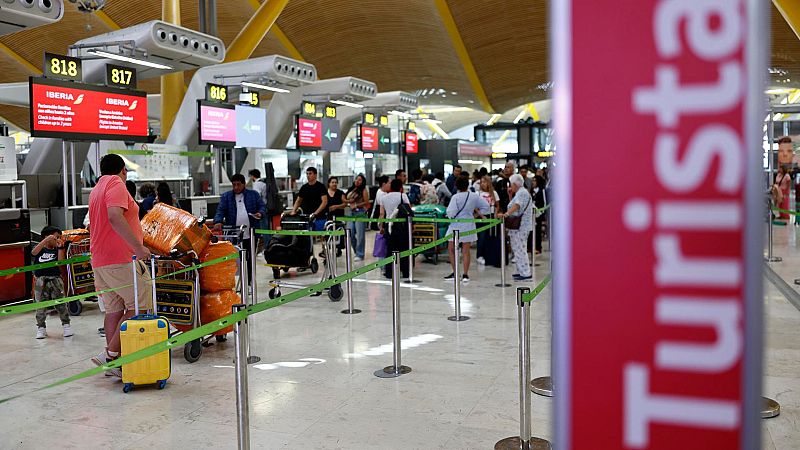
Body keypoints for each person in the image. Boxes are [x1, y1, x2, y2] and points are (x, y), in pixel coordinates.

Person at [88, 154, 153, 377]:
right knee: (139, 305)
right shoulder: (116, 183)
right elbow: (115, 217)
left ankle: (113, 366)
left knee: (114, 308)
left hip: (100, 260)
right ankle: (111, 355)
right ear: (123, 170)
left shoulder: (97, 188)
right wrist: (138, 247)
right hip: (121, 259)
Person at [213, 173, 266, 281]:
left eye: (238, 184)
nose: (236, 187)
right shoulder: (226, 197)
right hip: (234, 234)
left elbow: (262, 206)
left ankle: (250, 282)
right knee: (235, 258)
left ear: (244, 184)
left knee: (250, 258)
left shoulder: (253, 195)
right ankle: (235, 281)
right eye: (234, 185)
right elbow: (220, 210)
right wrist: (218, 221)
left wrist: (260, 213)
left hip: (251, 233)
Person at [444, 177, 490, 283]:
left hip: (455, 225)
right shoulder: (473, 196)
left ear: (457, 186)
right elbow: (486, 206)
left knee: (451, 249)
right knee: (466, 251)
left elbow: (450, 212)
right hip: (469, 224)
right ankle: (465, 274)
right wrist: (474, 214)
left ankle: (455, 272)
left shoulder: (455, 197)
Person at [32, 226, 72, 339]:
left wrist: (60, 248)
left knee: (61, 304)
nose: (58, 239)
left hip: (55, 278)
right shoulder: (41, 249)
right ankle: (41, 327)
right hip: (41, 280)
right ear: (47, 237)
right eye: (56, 237)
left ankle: (66, 325)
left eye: (59, 237)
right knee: (40, 305)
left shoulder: (58, 249)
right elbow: (33, 252)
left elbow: (60, 263)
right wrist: (45, 241)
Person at [498, 174, 534, 282]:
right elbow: (514, 204)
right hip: (519, 226)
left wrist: (506, 214)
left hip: (521, 226)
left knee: (520, 249)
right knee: (517, 249)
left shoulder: (522, 192)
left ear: (514, 184)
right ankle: (521, 271)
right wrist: (510, 195)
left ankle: (526, 273)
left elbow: (517, 205)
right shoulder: (520, 192)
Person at [379, 179, 411, 279]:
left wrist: (381, 226)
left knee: (390, 250)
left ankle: (389, 272)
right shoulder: (403, 196)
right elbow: (408, 210)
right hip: (402, 227)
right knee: (404, 249)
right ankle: (405, 272)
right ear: (400, 187)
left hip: (389, 227)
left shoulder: (383, 198)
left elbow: (381, 214)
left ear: (391, 187)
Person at [289, 167, 328, 231]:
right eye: (307, 174)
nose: (308, 175)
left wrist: (315, 213)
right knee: (307, 237)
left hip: (319, 217)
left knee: (317, 236)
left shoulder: (321, 187)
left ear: (315, 175)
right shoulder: (304, 188)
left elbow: (324, 202)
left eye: (310, 174)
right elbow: (298, 201)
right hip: (306, 217)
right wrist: (293, 210)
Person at [476, 175, 501, 265]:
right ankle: (479, 255)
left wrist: (495, 213)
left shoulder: (494, 193)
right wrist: (481, 215)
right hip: (481, 217)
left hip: (491, 216)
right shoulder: (478, 194)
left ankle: (489, 254)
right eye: (481, 182)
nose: (483, 184)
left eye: (485, 182)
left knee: (490, 236)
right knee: (481, 237)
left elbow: (497, 205)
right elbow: (475, 207)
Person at [345, 174, 370, 261]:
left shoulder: (363, 190)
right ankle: (356, 251)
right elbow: (346, 199)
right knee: (350, 232)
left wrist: (356, 205)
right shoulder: (351, 189)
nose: (357, 181)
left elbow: (366, 202)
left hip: (360, 212)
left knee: (360, 234)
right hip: (350, 213)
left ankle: (360, 254)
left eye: (360, 180)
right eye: (356, 179)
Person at [533, 175, 547, 254]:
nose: (533, 182)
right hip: (532, 214)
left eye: (535, 181)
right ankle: (531, 246)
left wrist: (542, 212)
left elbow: (544, 202)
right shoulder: (531, 190)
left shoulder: (542, 190)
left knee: (538, 231)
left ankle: (538, 247)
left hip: (539, 213)